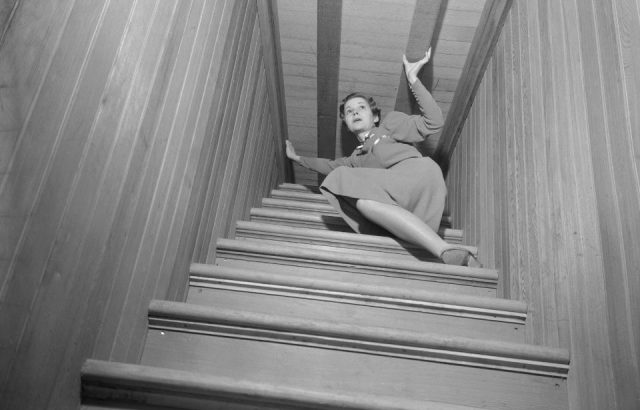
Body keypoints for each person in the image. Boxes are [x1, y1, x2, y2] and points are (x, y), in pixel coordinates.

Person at [285, 48, 480, 267]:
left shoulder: (390, 124)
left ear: (375, 115)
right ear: (347, 124)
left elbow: (434, 122)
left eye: (361, 107)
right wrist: (297, 158)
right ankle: (445, 251)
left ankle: (434, 245)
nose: (355, 112)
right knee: (360, 199)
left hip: (419, 178)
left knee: (347, 180)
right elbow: (328, 166)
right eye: (349, 112)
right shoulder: (355, 160)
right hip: (397, 204)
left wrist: (413, 79)